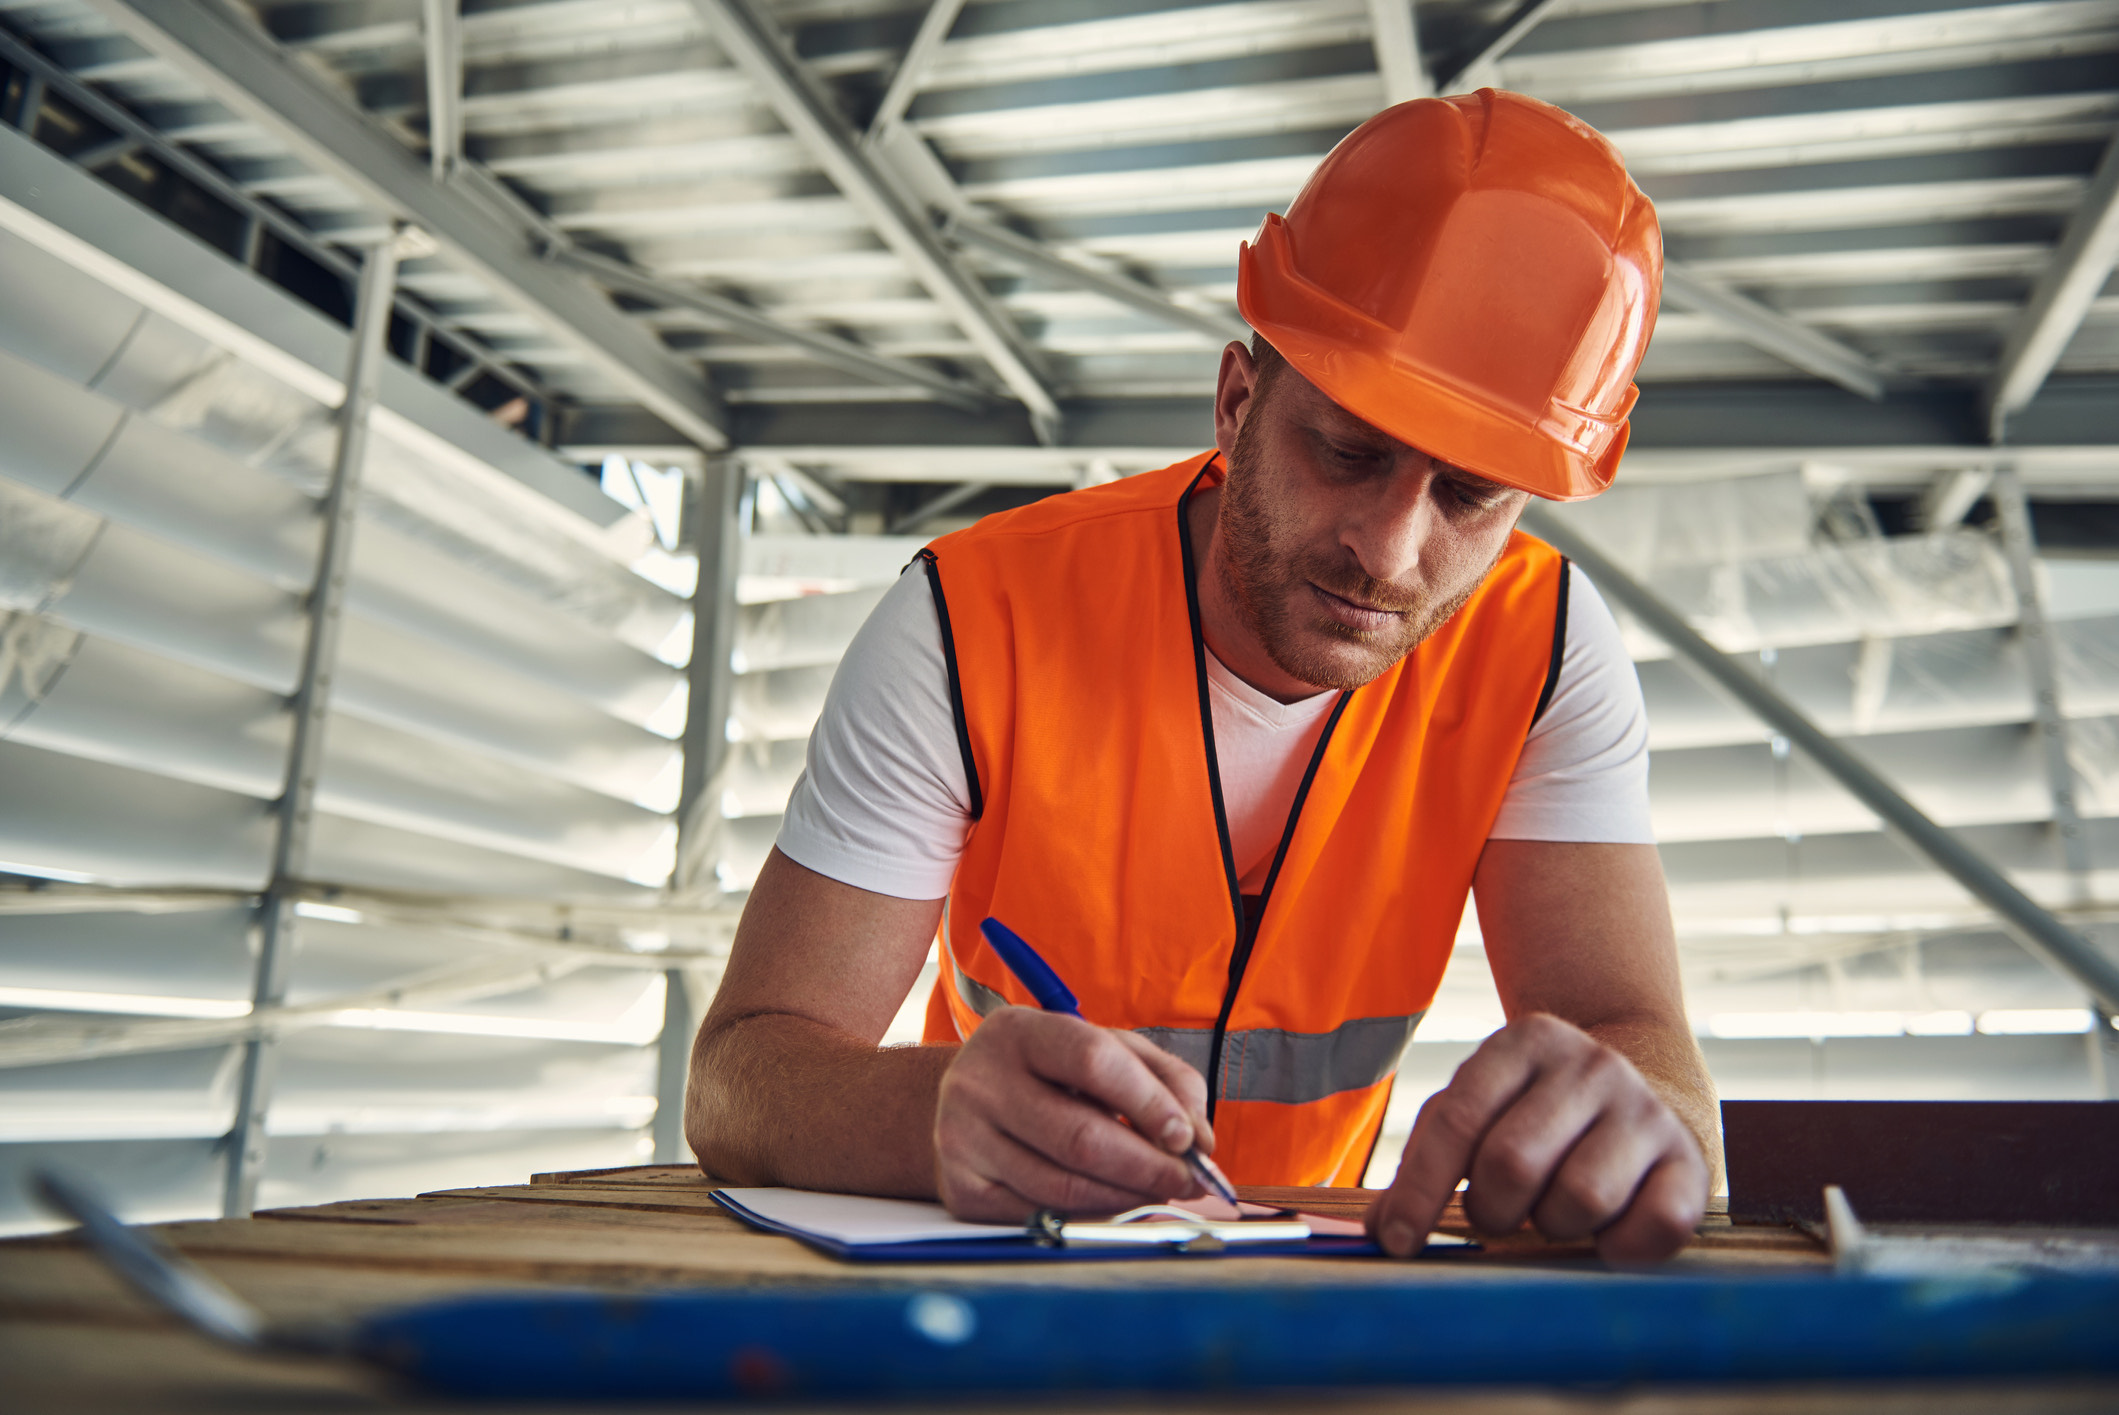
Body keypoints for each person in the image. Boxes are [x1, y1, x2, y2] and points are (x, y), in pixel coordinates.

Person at [686, 89, 1721, 1267]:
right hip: (994, 1257)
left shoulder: (1543, 654)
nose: (1388, 549)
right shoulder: (969, 621)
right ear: (1237, 404)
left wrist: (1651, 1121)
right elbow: (736, 1077)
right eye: (1346, 451)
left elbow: (1643, 1046)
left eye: (1469, 496)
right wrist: (928, 1114)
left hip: (1307, 1289)